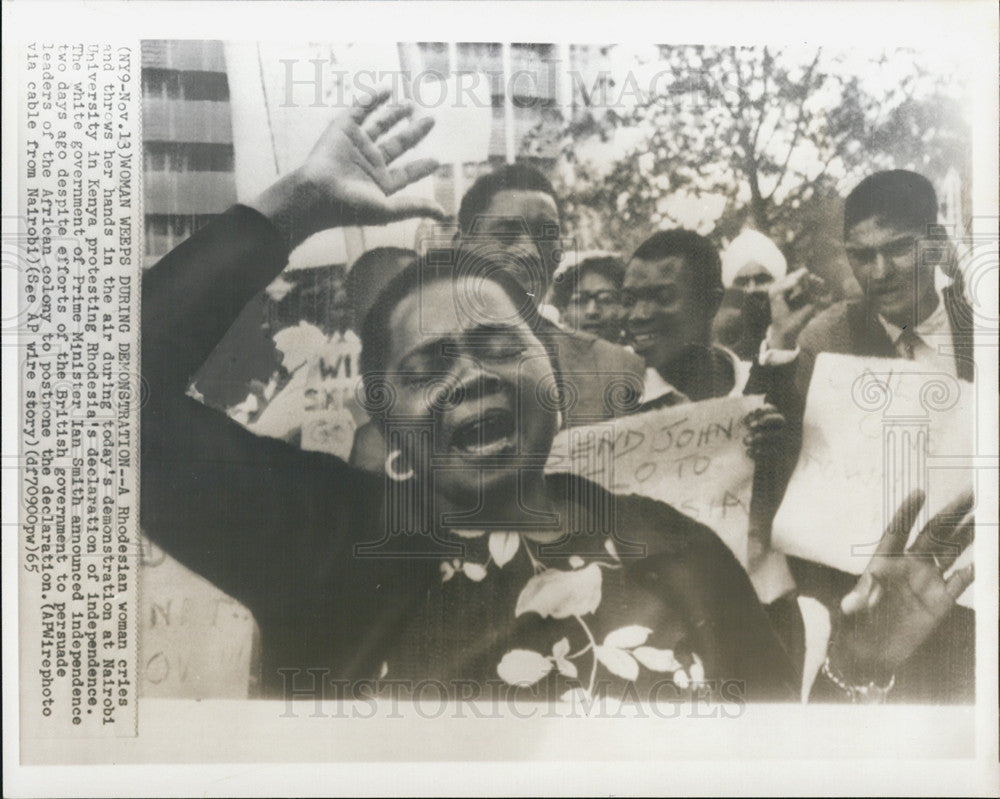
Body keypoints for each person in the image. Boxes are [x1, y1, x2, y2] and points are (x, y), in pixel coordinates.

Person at [142, 93, 974, 705]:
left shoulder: (675, 547)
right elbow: (101, 408)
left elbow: (777, 766)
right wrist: (291, 210)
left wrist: (857, 666)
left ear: (551, 377)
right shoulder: (320, 538)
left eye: (501, 345)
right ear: (388, 419)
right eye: (429, 363)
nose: (472, 372)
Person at [752, 169, 976, 702]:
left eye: (898, 249)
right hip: (856, 594)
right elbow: (784, 466)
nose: (878, 272)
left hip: (963, 590)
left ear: (937, 245)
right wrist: (780, 346)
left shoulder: (982, 329)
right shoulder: (826, 337)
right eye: (860, 254)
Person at [455, 164, 646, 424]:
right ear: (461, 247)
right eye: (507, 234)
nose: (530, 253)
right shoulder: (414, 364)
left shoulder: (615, 369)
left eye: (546, 236)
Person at [623, 229, 749, 408]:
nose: (638, 315)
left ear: (710, 304)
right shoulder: (610, 399)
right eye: (629, 300)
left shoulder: (757, 386)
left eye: (663, 297)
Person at [712, 229, 789, 361]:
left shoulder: (795, 332)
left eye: (761, 279)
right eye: (742, 282)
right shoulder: (719, 341)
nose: (751, 289)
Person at [549, 253, 629, 346]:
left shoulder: (635, 359)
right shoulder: (544, 359)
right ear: (563, 311)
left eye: (605, 300)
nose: (592, 311)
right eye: (580, 301)